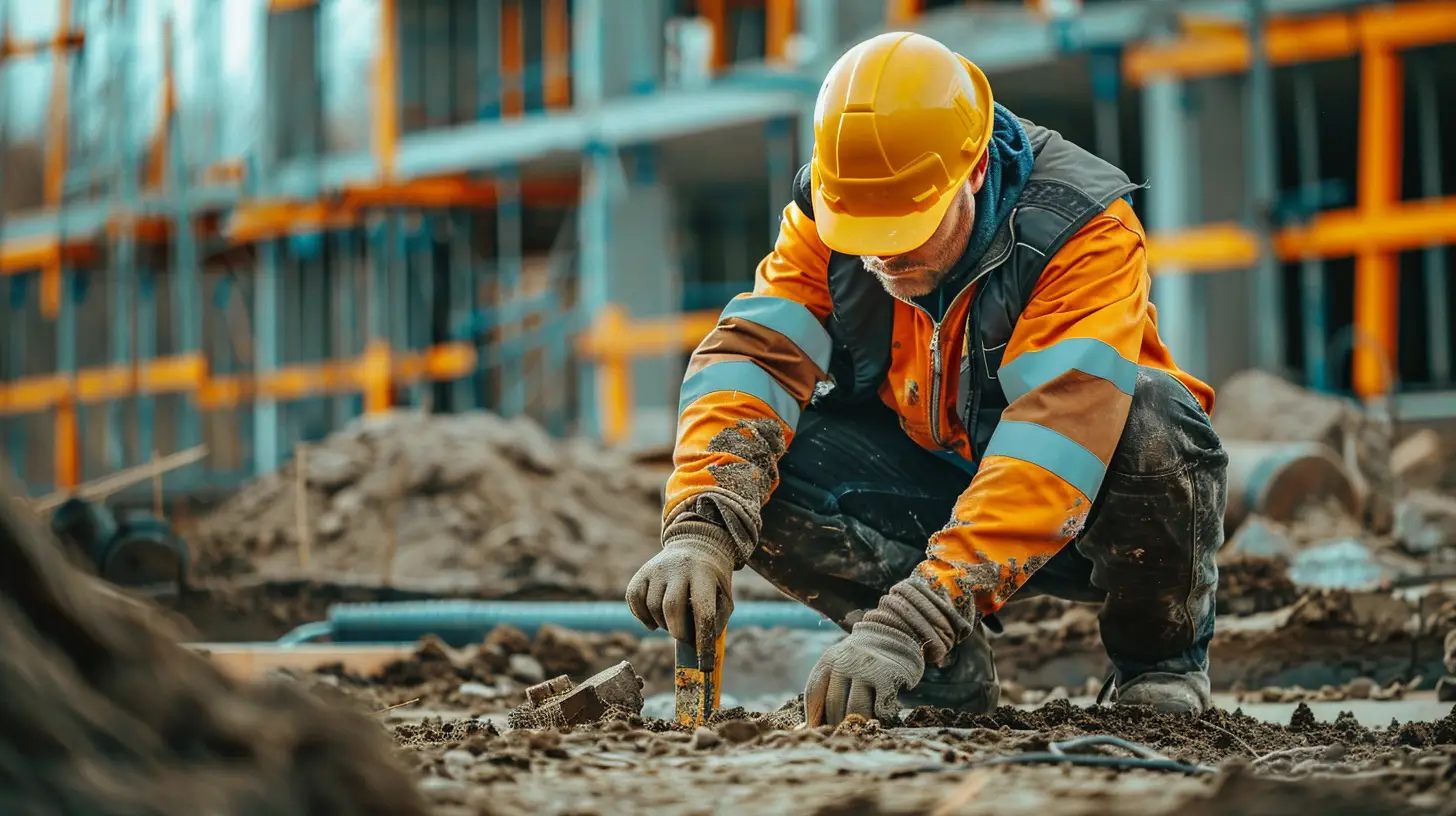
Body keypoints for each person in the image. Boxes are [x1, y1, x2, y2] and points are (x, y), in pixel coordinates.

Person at [625, 31, 1227, 726]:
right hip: (929, 479)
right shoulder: (829, 213)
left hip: (1083, 508)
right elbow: (751, 359)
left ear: (971, 172)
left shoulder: (1080, 230)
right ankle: (944, 678)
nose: (884, 254)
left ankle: (1159, 668)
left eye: (908, 227)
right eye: (865, 231)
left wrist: (911, 620)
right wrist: (701, 522)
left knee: (1156, 420)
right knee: (758, 462)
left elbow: (1056, 439)